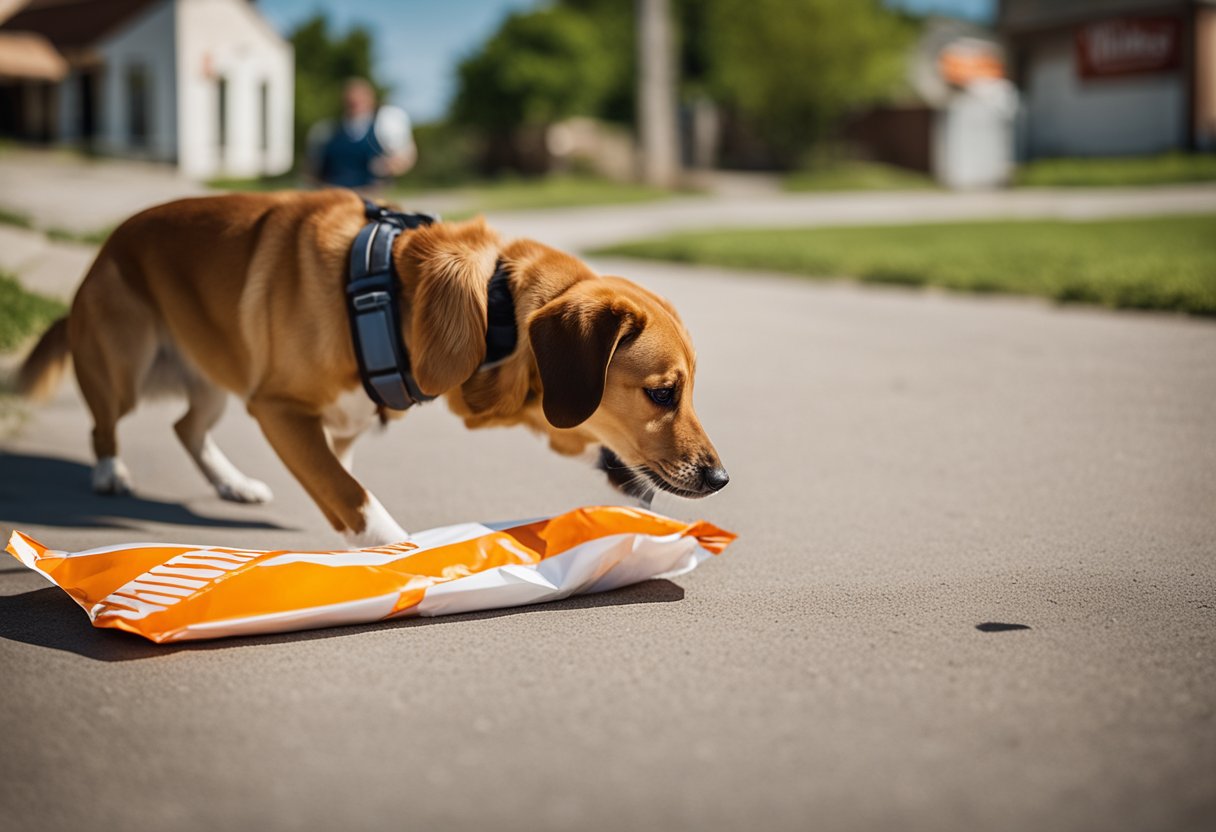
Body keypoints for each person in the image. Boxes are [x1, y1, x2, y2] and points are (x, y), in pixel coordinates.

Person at [307, 78, 416, 191]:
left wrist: (388, 166)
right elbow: (311, 169)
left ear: (371, 99)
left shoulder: (385, 123)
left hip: (371, 195)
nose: (355, 101)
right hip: (335, 194)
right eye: (351, 99)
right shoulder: (326, 131)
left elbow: (406, 158)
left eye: (360, 98)